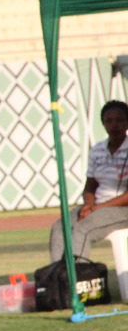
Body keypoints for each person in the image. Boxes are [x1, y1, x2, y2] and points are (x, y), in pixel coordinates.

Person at [49, 99, 128, 262]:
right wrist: (88, 205)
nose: (114, 125)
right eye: (109, 121)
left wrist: (97, 208)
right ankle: (59, 277)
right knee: (59, 227)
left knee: (82, 229)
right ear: (103, 124)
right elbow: (90, 186)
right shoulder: (97, 150)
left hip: (121, 208)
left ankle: (79, 278)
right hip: (98, 205)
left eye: (120, 120)